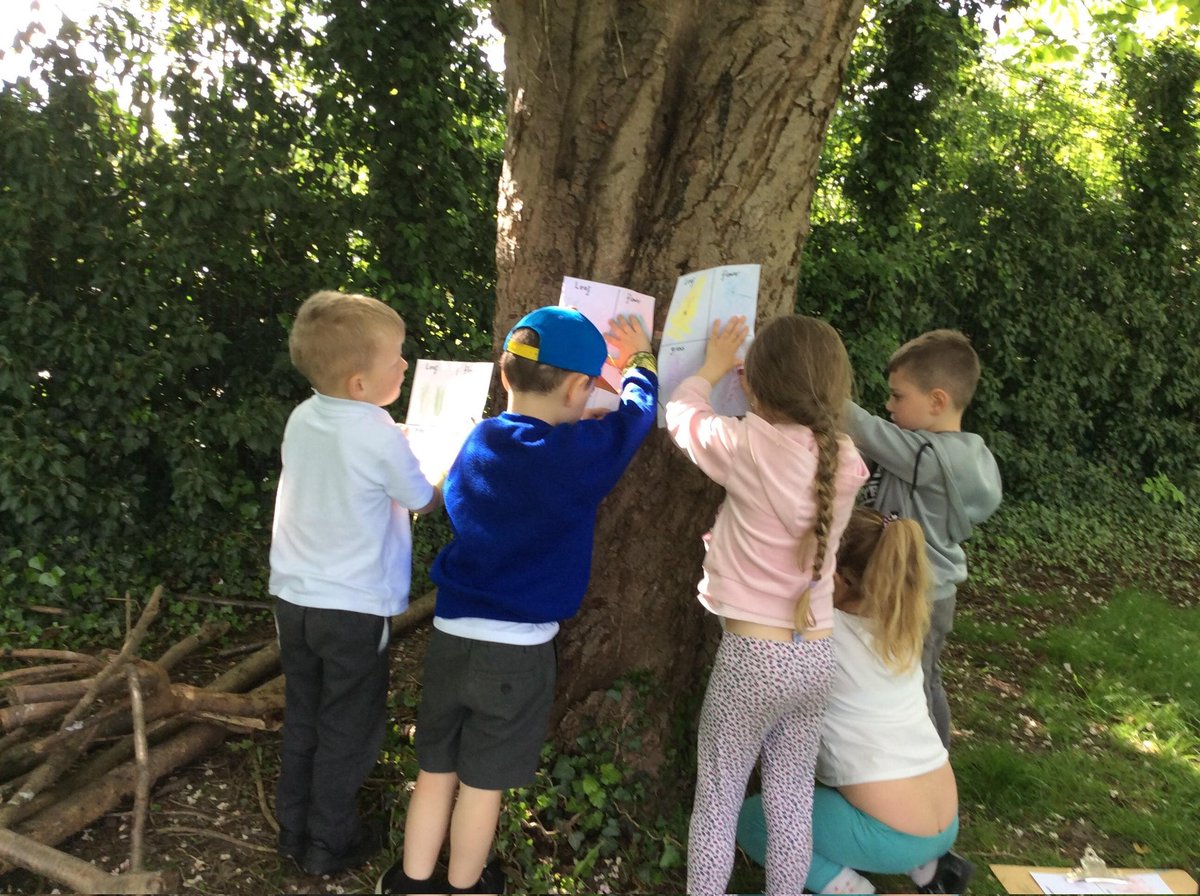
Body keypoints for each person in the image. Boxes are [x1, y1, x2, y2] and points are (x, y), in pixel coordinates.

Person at [376, 306, 658, 895]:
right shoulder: (573, 454)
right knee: (482, 785)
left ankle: (410, 881)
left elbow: (450, 496)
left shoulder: (477, 441)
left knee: (436, 770)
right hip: (519, 652)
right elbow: (636, 418)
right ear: (580, 388)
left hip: (451, 637)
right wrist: (639, 360)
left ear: (506, 376)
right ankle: (465, 886)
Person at [664, 314, 870, 896]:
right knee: (789, 801)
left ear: (752, 384)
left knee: (718, 800)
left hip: (753, 658)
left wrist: (707, 368)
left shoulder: (748, 445)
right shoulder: (846, 462)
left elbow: (683, 418)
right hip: (815, 656)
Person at [269, 290, 442, 876]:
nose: (404, 366)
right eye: (396, 359)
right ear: (359, 383)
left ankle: (292, 827)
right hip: (352, 607)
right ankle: (331, 840)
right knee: (350, 720)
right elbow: (421, 498)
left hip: (293, 596)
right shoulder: (377, 431)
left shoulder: (304, 415)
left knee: (306, 709)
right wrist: (436, 464)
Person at [737, 507, 974, 894]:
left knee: (754, 821)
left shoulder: (821, 634)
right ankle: (929, 870)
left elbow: (748, 622)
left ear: (838, 577)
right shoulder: (900, 631)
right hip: (945, 820)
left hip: (891, 834)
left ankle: (848, 889)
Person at [846, 329, 1002, 748]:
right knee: (922, 677)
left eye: (898, 397)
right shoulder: (947, 452)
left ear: (937, 400)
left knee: (916, 684)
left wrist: (817, 384)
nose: (889, 405)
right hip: (929, 590)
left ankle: (930, 769)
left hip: (919, 592)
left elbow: (863, 427)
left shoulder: (930, 457)